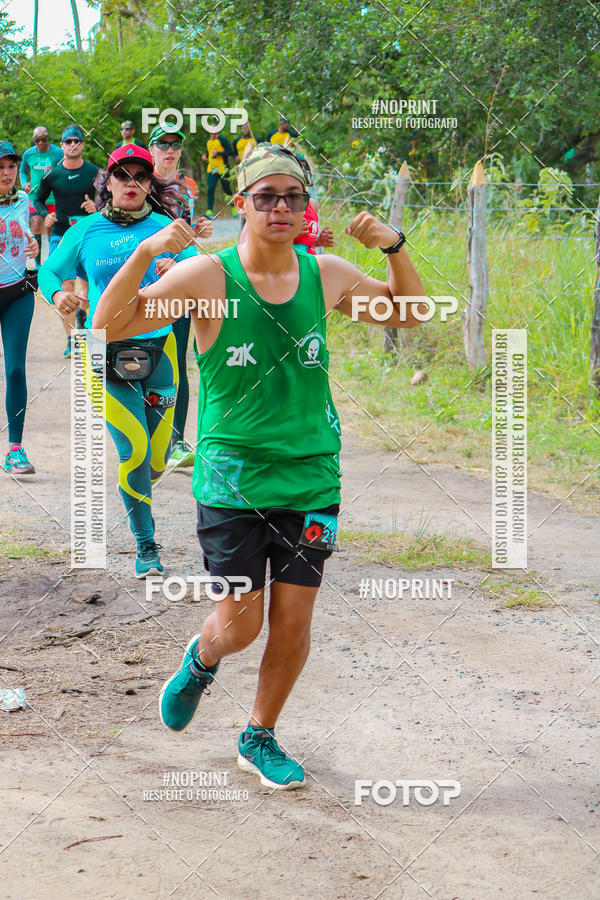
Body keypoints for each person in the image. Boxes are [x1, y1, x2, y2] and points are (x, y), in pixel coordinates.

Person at [92, 142, 427, 789]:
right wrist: (144, 253)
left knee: (295, 618)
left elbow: (408, 313)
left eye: (292, 196)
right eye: (266, 196)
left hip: (310, 476)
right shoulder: (208, 280)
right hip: (232, 479)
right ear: (240, 204)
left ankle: (259, 734)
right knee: (240, 627)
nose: (280, 207)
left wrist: (394, 246)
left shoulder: (324, 273)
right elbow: (108, 325)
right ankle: (201, 658)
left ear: (306, 208)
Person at [39, 144, 206, 578]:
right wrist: (59, 294)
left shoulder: (166, 228)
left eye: (141, 178)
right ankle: (146, 546)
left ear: (150, 186)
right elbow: (48, 270)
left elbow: (203, 271)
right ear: (107, 183)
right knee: (133, 451)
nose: (131, 184)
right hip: (101, 352)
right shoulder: (86, 230)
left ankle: (141, 507)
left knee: (155, 459)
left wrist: (179, 270)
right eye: (122, 176)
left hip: (161, 352)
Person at [148, 124, 213, 469]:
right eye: (163, 144)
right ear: (153, 148)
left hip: (181, 282)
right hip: (147, 282)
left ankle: (176, 442)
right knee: (148, 359)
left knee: (179, 362)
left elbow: (188, 234)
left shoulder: (188, 186)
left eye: (175, 144)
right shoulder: (142, 182)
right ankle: (147, 438)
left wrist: (199, 232)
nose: (170, 150)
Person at [33, 125, 98, 357]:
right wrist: (45, 215)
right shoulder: (52, 175)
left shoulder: (94, 172)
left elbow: (111, 199)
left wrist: (97, 207)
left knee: (91, 288)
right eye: (68, 141)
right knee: (66, 287)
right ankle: (72, 340)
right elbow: (37, 199)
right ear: (61, 145)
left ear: (82, 144)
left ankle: (86, 324)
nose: (72, 144)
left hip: (89, 236)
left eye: (77, 141)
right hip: (62, 234)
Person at [0, 141, 40, 475]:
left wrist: (33, 243)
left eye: (11, 166)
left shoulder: (23, 200)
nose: (6, 173)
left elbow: (26, 237)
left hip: (18, 292)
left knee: (15, 369)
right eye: (0, 167)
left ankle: (15, 449)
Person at [19, 126, 62, 270]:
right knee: (36, 223)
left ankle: (51, 262)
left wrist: (55, 171)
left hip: (52, 197)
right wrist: (25, 183)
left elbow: (66, 170)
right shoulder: (28, 154)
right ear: (34, 140)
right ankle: (37, 264)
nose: (40, 143)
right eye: (37, 140)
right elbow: (22, 171)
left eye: (43, 140)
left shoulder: (57, 152)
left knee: (51, 228)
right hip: (35, 196)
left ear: (48, 138)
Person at [202, 130, 235, 218]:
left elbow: (230, 152)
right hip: (212, 169)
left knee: (227, 189)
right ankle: (209, 211)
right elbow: (208, 152)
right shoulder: (208, 141)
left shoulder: (222, 140)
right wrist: (205, 155)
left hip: (222, 168)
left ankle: (234, 208)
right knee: (210, 188)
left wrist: (219, 153)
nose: (212, 133)